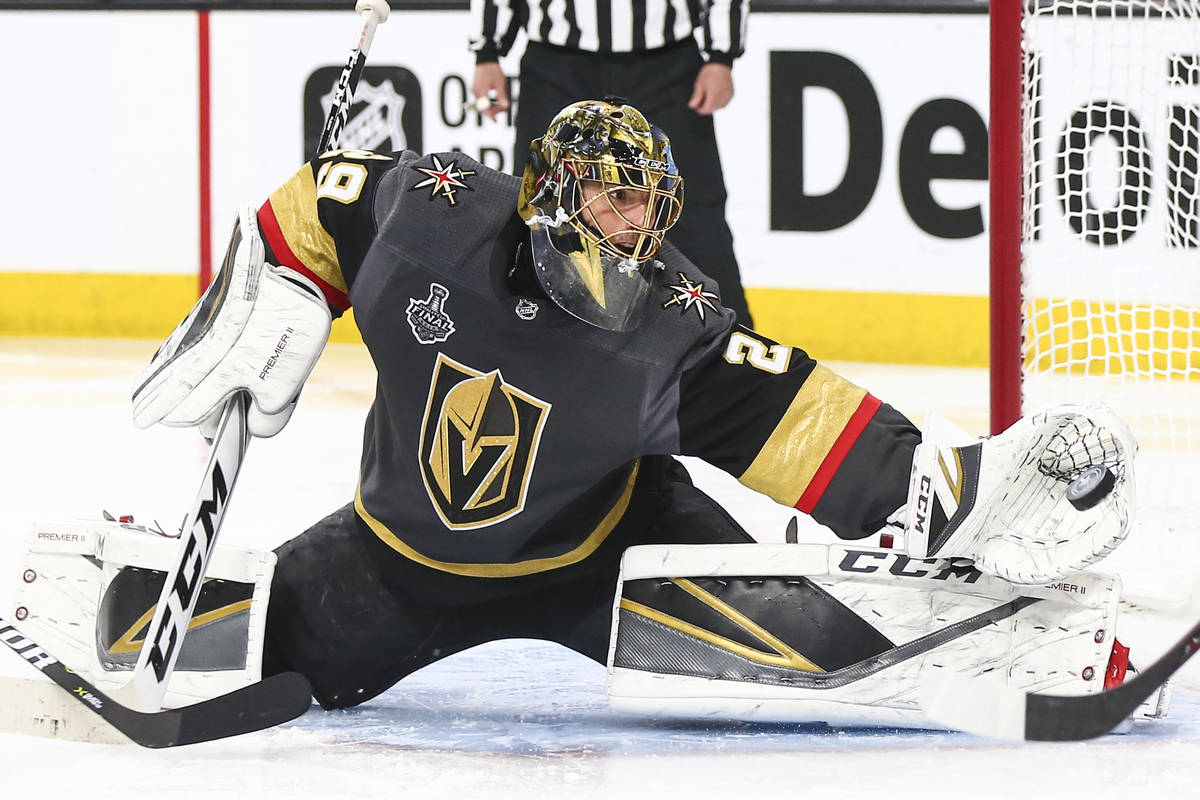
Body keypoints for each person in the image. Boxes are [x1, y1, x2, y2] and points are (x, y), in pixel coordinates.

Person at [130, 100, 1135, 713]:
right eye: (617, 198)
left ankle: (1004, 643)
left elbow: (800, 417)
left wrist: (933, 483)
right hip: (397, 563)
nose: (639, 225)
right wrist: (275, 272)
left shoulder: (671, 320)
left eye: (651, 203)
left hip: (612, 561)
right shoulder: (435, 220)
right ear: (558, 191)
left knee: (800, 637)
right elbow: (326, 195)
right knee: (255, 644)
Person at [468, 0, 754, 326]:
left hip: (667, 63)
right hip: (555, 63)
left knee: (686, 208)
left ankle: (726, 341)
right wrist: (487, 51)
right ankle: (524, 332)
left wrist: (721, 56)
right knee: (541, 208)